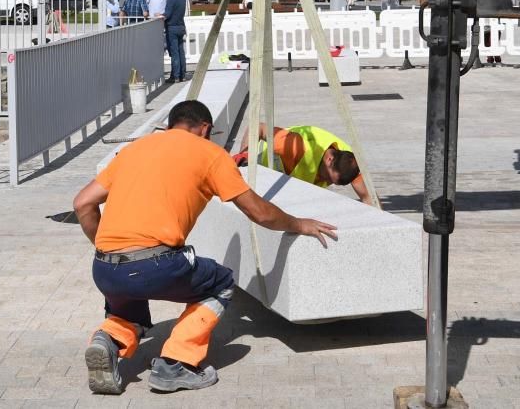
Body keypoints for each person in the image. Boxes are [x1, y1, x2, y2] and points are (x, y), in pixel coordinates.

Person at [73, 100, 337, 395]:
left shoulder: (133, 150)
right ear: (205, 129)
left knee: (128, 300)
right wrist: (299, 224)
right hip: (157, 266)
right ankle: (176, 364)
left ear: (171, 125)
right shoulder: (210, 153)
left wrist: (108, 251)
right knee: (221, 283)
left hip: (106, 269)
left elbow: (83, 203)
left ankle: (106, 340)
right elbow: (258, 212)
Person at [234, 125, 373, 206]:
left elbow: (369, 199)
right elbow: (258, 127)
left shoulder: (350, 163)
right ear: (330, 159)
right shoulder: (296, 147)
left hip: (294, 181)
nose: (327, 182)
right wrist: (245, 158)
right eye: (330, 178)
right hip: (267, 168)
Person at [163, 0, 187, 83]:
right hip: (181, 26)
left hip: (172, 27)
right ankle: (182, 75)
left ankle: (175, 76)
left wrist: (160, 15)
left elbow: (167, 14)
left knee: (174, 53)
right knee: (181, 52)